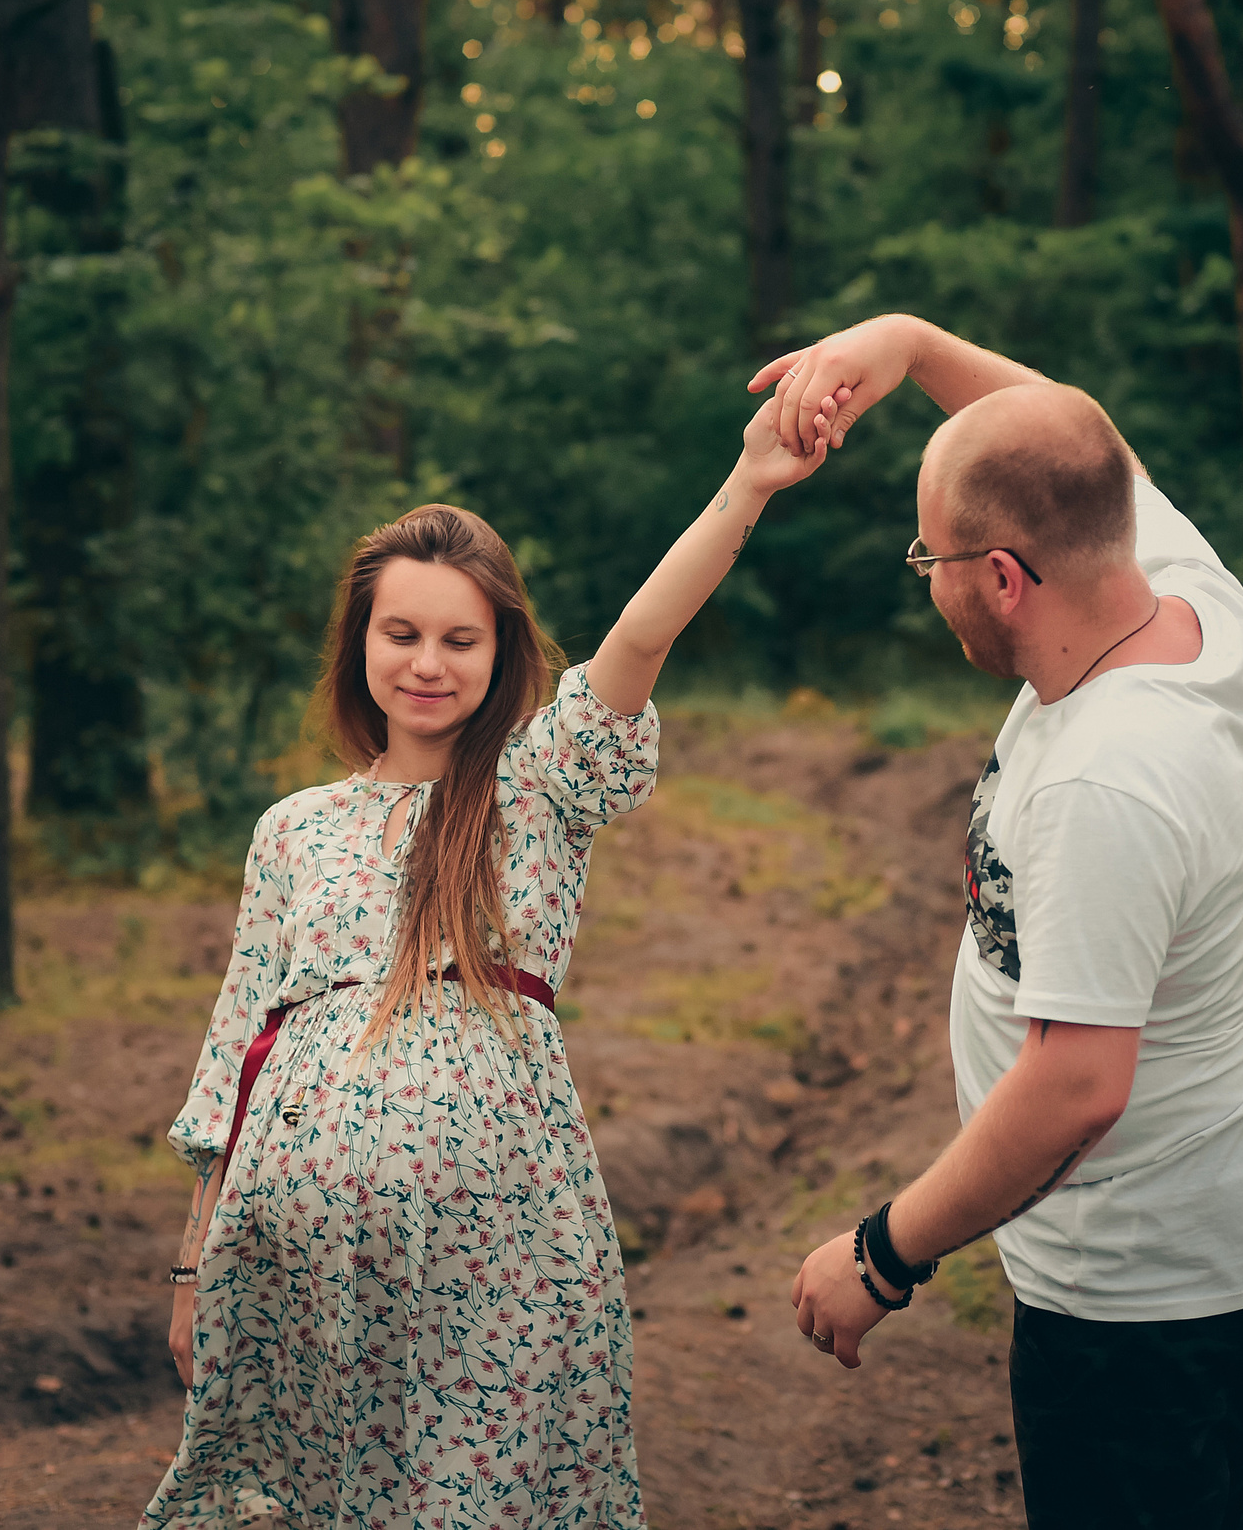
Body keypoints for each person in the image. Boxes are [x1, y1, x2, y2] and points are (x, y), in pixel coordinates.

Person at [141, 402, 823, 1530]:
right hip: (294, 1266)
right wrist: (192, 1267)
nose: (426, 662)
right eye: (400, 632)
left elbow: (640, 639)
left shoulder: (538, 783)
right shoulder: (293, 828)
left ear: (502, 649)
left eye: (460, 639)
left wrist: (748, 484)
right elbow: (234, 1062)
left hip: (496, 1254)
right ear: (359, 642)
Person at [766, 315, 1243, 1529]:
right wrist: (910, 345)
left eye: (929, 559)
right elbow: (1074, 443)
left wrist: (882, 1253)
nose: (927, 583)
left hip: (1143, 1295)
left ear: (1002, 578)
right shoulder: (1178, 587)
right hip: (1232, 1197)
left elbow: (1076, 1085)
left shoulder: (1104, 779)